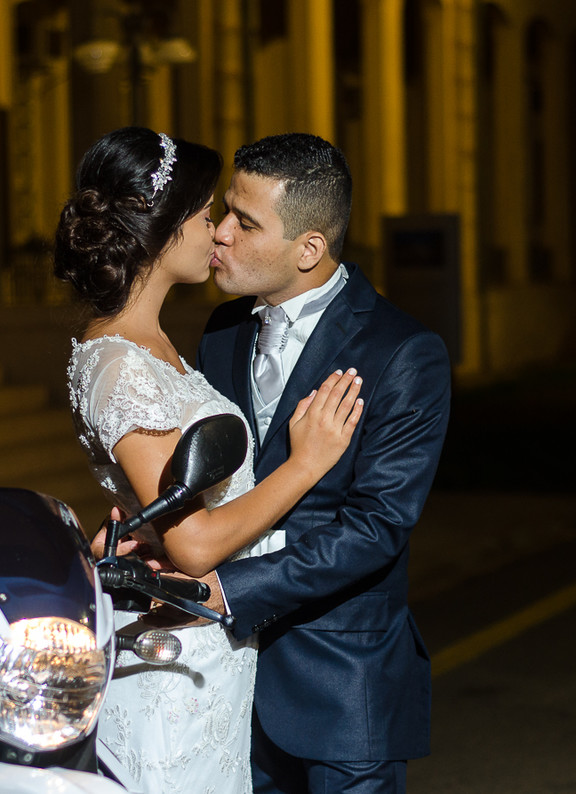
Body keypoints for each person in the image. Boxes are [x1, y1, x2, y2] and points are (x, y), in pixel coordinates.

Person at [54, 126, 364, 794]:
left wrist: (134, 527)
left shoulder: (158, 341)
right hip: (173, 662)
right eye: (205, 216)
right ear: (163, 231)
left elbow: (166, 502)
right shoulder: (119, 364)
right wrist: (305, 464)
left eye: (232, 219)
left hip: (213, 654)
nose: (219, 232)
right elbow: (192, 545)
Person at [197, 133, 451, 794]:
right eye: (225, 211)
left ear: (309, 249)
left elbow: (377, 526)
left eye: (246, 221)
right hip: (225, 687)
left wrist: (233, 589)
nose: (220, 232)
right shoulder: (221, 332)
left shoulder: (403, 352)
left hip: (344, 690)